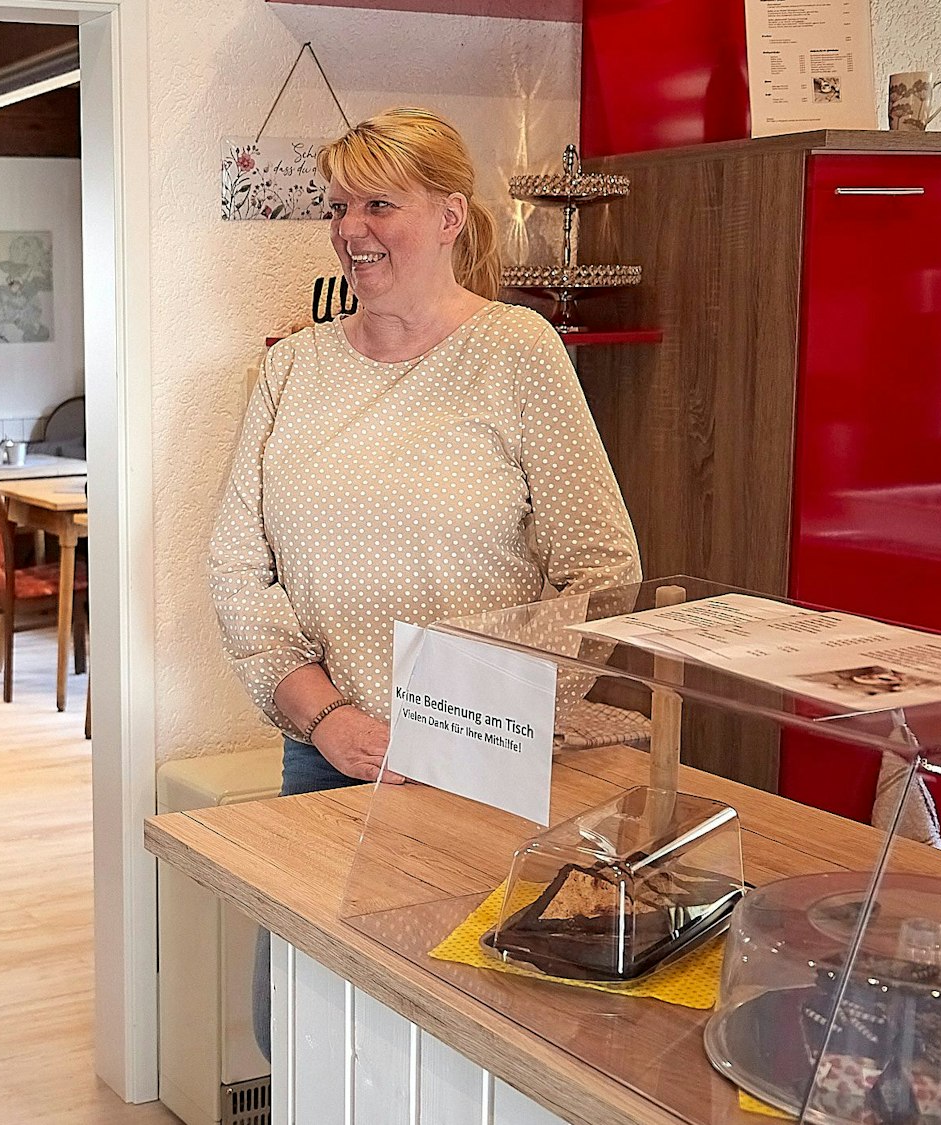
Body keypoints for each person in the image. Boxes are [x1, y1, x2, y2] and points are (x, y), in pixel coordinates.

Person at [206, 108, 641, 1057]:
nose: (351, 227)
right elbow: (239, 566)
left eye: (379, 203)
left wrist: (459, 719)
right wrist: (328, 720)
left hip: (482, 765)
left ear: (449, 216)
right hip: (328, 755)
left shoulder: (516, 352)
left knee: (459, 1041)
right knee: (302, 1028)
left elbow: (602, 571)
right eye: (338, 205)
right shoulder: (292, 370)